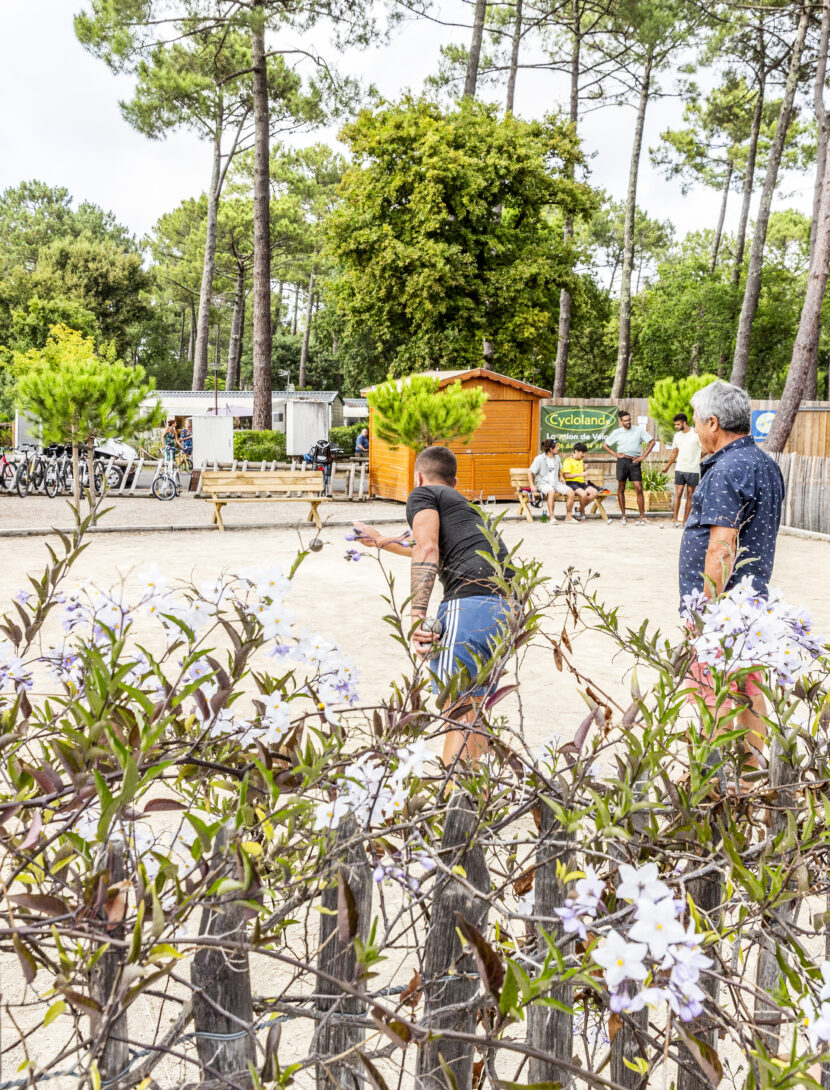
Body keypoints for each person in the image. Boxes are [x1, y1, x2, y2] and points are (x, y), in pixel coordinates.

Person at [352, 445, 513, 766]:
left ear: (419, 476)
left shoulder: (422, 494)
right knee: (472, 706)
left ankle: (454, 799)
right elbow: (423, 541)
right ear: (454, 482)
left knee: (458, 709)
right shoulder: (465, 509)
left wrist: (417, 616)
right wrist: (381, 540)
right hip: (509, 609)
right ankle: (472, 800)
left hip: (471, 602)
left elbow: (427, 547)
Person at [679, 380, 784, 768]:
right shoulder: (764, 464)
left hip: (723, 608)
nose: (694, 430)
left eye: (696, 422)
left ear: (713, 423)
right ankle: (752, 769)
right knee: (750, 689)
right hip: (753, 601)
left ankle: (716, 781)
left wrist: (705, 611)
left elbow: (721, 547)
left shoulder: (727, 468)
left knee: (716, 695)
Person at [603, 411, 655, 525]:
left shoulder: (638, 430)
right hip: (622, 461)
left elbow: (652, 442)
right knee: (621, 488)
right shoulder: (617, 432)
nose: (628, 422)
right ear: (621, 422)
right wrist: (615, 454)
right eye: (625, 420)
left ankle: (642, 517)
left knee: (638, 488)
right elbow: (605, 445)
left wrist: (643, 456)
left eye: (629, 420)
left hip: (634, 461)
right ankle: (623, 516)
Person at [662, 413, 701, 528]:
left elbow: (704, 450)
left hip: (693, 469)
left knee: (690, 495)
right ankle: (675, 520)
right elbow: (674, 452)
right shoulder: (677, 436)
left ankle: (685, 521)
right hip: (680, 468)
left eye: (678, 424)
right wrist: (667, 466)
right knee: (678, 493)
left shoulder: (696, 434)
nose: (676, 427)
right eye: (675, 425)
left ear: (684, 423)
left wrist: (696, 458)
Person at [527, 439, 576, 522]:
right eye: (557, 447)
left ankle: (569, 517)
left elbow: (560, 469)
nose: (559, 448)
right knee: (551, 491)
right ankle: (552, 517)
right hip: (542, 483)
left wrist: (561, 476)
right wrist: (532, 485)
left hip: (556, 482)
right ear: (551, 449)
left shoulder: (557, 458)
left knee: (571, 492)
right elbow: (530, 472)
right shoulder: (539, 459)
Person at [562, 443, 607, 518]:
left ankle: (579, 509)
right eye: (582, 452)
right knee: (583, 494)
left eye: (585, 453)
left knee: (595, 493)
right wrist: (581, 474)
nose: (584, 454)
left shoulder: (581, 461)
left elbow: (579, 470)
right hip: (571, 483)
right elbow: (566, 476)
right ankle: (582, 512)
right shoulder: (568, 461)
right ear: (576, 451)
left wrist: (584, 468)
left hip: (581, 483)